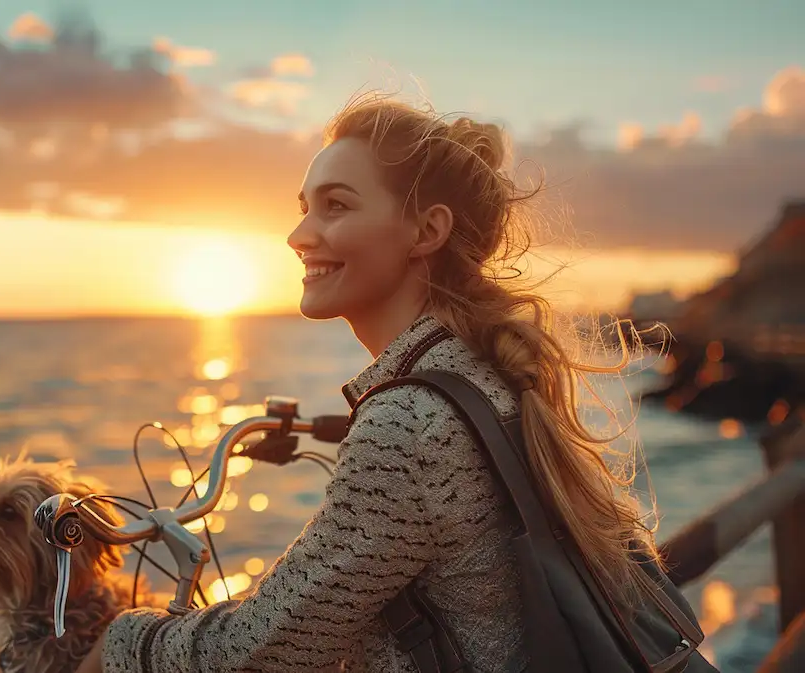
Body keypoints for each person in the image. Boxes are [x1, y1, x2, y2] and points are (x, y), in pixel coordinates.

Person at [78, 93, 662, 673]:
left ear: (425, 231)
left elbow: (268, 648)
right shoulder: (481, 373)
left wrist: (124, 642)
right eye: (304, 206)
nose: (299, 235)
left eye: (335, 206)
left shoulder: (410, 423)